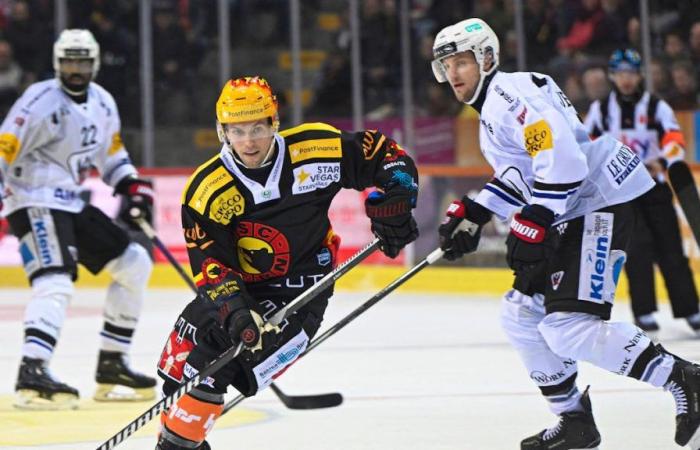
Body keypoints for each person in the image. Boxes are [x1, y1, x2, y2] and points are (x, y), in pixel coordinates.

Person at [432, 18, 700, 450]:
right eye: (447, 66)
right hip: (577, 206)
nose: (453, 74)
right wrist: (478, 209)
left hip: (599, 201)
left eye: (461, 61)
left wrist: (537, 216)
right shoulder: (494, 111)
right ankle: (574, 419)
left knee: (567, 328)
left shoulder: (507, 97)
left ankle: (685, 378)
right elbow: (523, 172)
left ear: (486, 58)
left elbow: (566, 161)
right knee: (521, 316)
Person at [155, 76, 419, 449]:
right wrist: (235, 311)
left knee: (207, 367)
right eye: (237, 130)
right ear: (222, 131)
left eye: (258, 128)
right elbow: (212, 266)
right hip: (244, 289)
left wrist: (397, 200)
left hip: (302, 292)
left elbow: (387, 157)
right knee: (177, 369)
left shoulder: (316, 150)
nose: (249, 141)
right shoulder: (207, 191)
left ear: (274, 123)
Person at [0, 29, 156, 410]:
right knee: (55, 280)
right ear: (57, 63)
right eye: (69, 61)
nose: (75, 68)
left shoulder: (103, 103)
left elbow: (112, 155)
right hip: (32, 199)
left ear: (94, 63)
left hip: (69, 201)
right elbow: (5, 146)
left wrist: (133, 188)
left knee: (135, 264)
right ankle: (32, 371)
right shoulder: (38, 99)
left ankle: (112, 363)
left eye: (82, 61)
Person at [584, 48, 700, 335]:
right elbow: (587, 145)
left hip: (654, 188)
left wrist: (665, 161)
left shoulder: (655, 106)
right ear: (612, 76)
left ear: (640, 76)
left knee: (672, 249)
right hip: (622, 193)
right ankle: (644, 312)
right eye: (621, 73)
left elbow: (673, 137)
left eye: (631, 73)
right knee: (635, 252)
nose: (626, 79)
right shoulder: (600, 110)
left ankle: (691, 310)